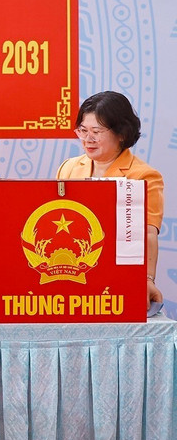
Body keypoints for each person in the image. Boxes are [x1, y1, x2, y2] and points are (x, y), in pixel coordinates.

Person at [56, 91, 164, 310]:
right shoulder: (68, 168)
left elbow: (148, 233)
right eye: (82, 131)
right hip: (72, 273)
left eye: (96, 131)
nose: (88, 139)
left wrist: (147, 280)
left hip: (116, 274)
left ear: (121, 133)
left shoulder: (143, 175)